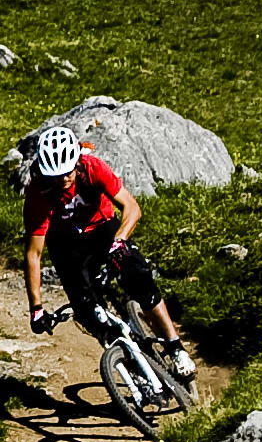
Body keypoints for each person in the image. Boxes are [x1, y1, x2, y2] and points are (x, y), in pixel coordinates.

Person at [20, 122, 193, 368]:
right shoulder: (38, 193)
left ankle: (176, 347)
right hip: (67, 247)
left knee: (140, 279)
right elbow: (33, 254)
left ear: (77, 162)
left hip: (104, 230)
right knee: (88, 313)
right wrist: (36, 308)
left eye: (68, 172)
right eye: (56, 175)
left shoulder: (93, 168)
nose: (63, 179)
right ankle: (126, 361)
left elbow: (132, 208)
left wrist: (119, 242)